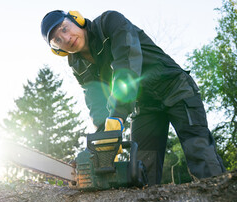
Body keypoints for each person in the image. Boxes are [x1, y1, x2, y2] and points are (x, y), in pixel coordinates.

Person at [40, 10, 226, 185]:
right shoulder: (78, 65)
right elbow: (96, 103)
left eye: (64, 29)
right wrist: (97, 147)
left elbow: (127, 67)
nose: (65, 38)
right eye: (57, 40)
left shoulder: (110, 23)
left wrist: (118, 114)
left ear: (76, 19)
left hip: (175, 89)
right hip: (144, 106)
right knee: (142, 170)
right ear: (57, 49)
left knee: (200, 153)